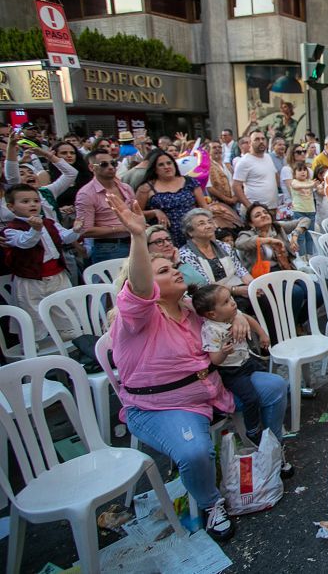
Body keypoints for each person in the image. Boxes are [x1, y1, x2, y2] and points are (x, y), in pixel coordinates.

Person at [105, 194, 289, 542]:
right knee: (194, 451)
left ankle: (271, 449)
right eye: (163, 271)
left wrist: (237, 319)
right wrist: (137, 237)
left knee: (276, 388)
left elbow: (223, 306)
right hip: (164, 406)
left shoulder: (189, 307)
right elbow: (141, 286)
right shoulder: (138, 317)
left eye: (172, 266)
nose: (174, 271)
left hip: (215, 389)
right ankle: (210, 503)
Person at [191, 283, 272, 446]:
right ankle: (253, 429)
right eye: (226, 302)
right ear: (212, 314)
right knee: (251, 398)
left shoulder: (233, 314)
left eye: (231, 298)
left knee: (267, 375)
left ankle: (269, 414)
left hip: (246, 360)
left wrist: (262, 334)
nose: (233, 303)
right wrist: (223, 352)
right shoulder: (211, 330)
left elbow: (249, 319)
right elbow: (214, 360)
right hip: (232, 371)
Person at [2, 185, 81, 338]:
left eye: (36, 201)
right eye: (25, 201)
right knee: (32, 313)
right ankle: (34, 344)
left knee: (64, 306)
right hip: (30, 278)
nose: (32, 204)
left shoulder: (49, 222)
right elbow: (25, 242)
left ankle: (70, 338)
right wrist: (35, 230)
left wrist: (76, 230)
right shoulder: (11, 229)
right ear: (11, 207)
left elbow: (64, 237)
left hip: (56, 273)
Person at [76, 149, 145, 264]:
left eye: (113, 163)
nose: (111, 167)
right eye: (104, 164)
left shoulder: (126, 188)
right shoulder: (86, 194)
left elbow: (135, 213)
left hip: (134, 241)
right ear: (92, 168)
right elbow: (85, 230)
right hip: (108, 248)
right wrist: (120, 228)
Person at [178, 208, 256, 310]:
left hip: (238, 287)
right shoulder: (185, 255)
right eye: (201, 224)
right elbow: (205, 284)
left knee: (262, 297)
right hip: (213, 297)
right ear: (190, 232)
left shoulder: (224, 246)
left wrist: (253, 285)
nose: (208, 226)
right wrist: (236, 290)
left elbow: (240, 270)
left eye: (210, 222)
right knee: (241, 306)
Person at [135, 151, 207, 247]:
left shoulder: (190, 182)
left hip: (193, 234)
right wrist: (154, 212)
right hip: (165, 239)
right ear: (155, 169)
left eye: (169, 163)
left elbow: (204, 206)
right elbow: (136, 213)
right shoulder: (146, 188)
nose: (166, 167)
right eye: (161, 165)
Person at [232, 131, 280, 216]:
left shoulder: (268, 157)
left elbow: (275, 176)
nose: (261, 141)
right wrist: (249, 206)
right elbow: (236, 186)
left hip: (272, 209)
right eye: (257, 139)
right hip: (255, 212)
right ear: (250, 143)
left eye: (263, 139)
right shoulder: (244, 161)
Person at [205, 141, 243, 230]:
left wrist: (235, 197)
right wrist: (227, 199)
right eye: (214, 148)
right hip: (219, 203)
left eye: (219, 147)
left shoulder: (227, 165)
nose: (218, 149)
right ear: (208, 151)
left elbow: (235, 182)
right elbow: (209, 187)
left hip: (234, 201)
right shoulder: (207, 166)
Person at [287, 162, 317, 256]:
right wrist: (311, 185)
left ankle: (309, 256)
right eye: (300, 170)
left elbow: (319, 188)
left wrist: (323, 185)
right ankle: (302, 257)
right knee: (300, 236)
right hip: (299, 212)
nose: (303, 172)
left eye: (305, 170)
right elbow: (298, 187)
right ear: (294, 173)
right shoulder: (294, 182)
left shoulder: (310, 182)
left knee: (310, 236)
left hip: (311, 212)